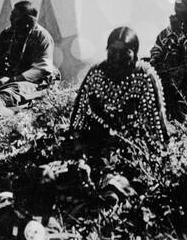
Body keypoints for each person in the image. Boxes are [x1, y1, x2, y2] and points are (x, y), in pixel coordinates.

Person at [69, 26, 169, 168]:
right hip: (96, 142)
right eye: (113, 51)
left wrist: (155, 155)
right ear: (107, 50)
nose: (117, 57)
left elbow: (155, 125)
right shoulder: (97, 73)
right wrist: (79, 147)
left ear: (134, 53)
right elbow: (79, 117)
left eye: (124, 52)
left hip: (131, 145)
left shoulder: (144, 76)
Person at [0, 0, 57, 113]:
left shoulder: (42, 37)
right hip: (10, 77)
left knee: (12, 91)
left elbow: (40, 70)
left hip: (35, 80)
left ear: (27, 21)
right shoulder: (8, 33)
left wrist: (11, 80)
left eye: (15, 16)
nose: (11, 18)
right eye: (12, 14)